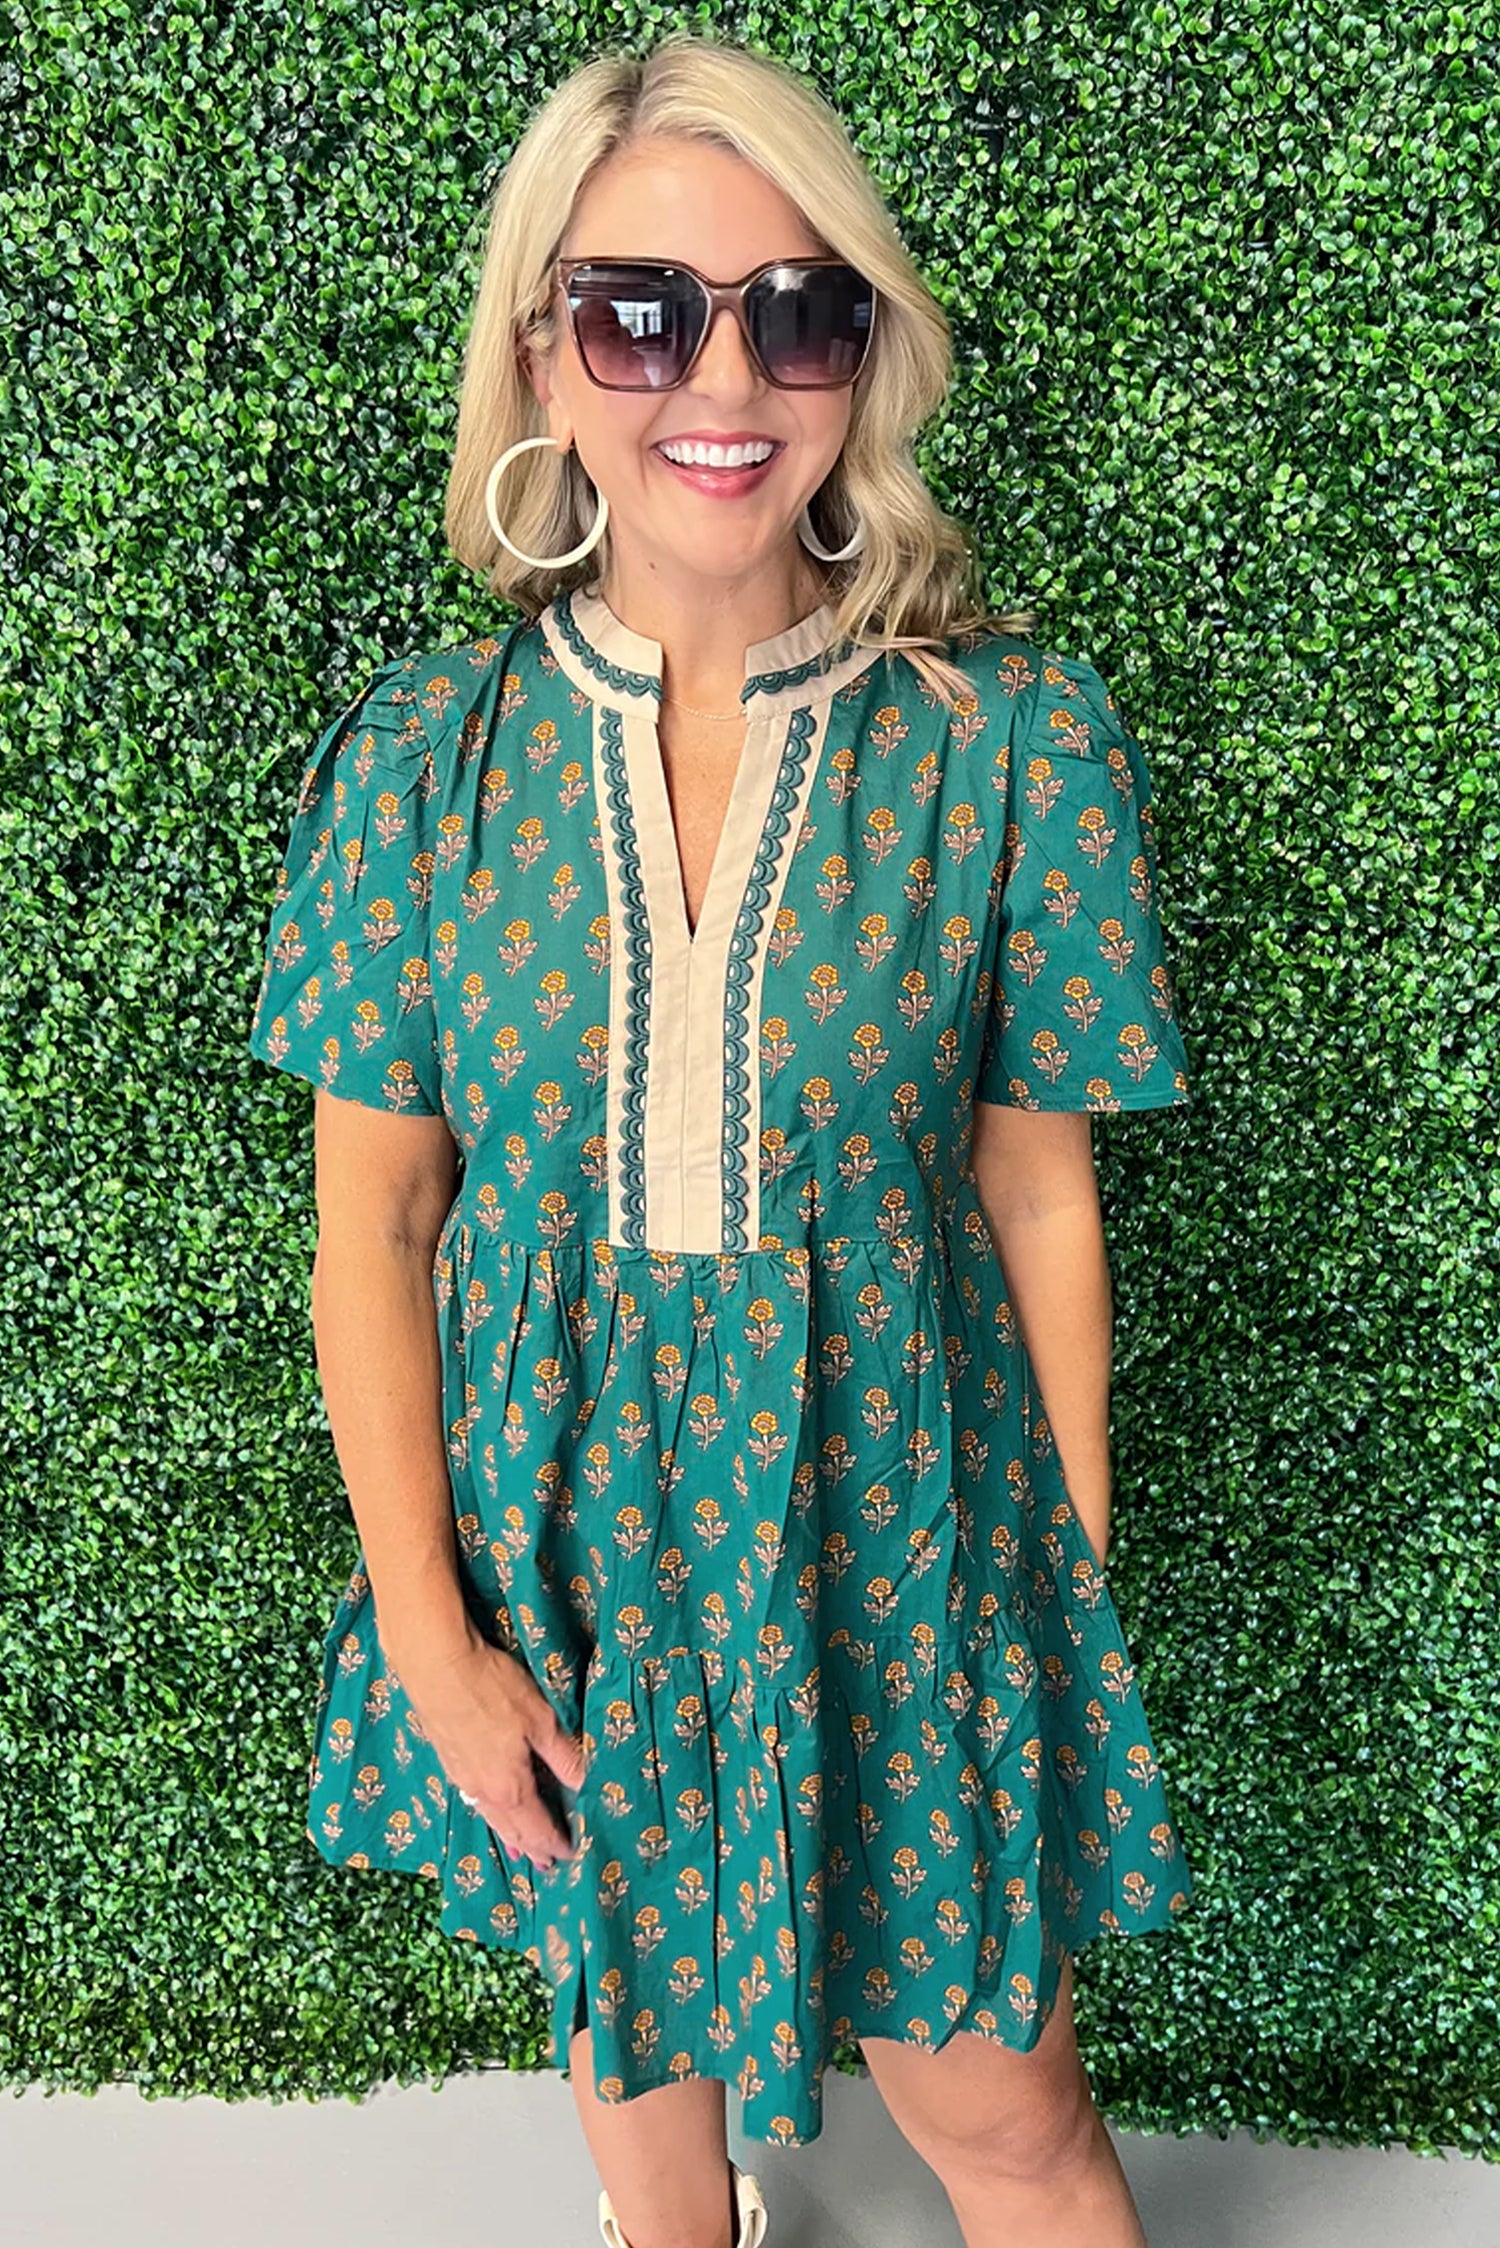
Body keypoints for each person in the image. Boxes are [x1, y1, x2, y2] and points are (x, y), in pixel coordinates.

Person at [247, 30, 1197, 2248]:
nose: (726, 377)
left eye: (800, 311)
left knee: (1017, 2125)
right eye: (641, 311)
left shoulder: (1004, 745)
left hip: (900, 1551)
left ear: (864, 356)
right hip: (570, 1570)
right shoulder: (424, 760)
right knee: (636, 2067)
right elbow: (376, 1220)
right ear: (543, 353)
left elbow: (1034, 1188)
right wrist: (432, 1636)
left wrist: (1045, 1588)